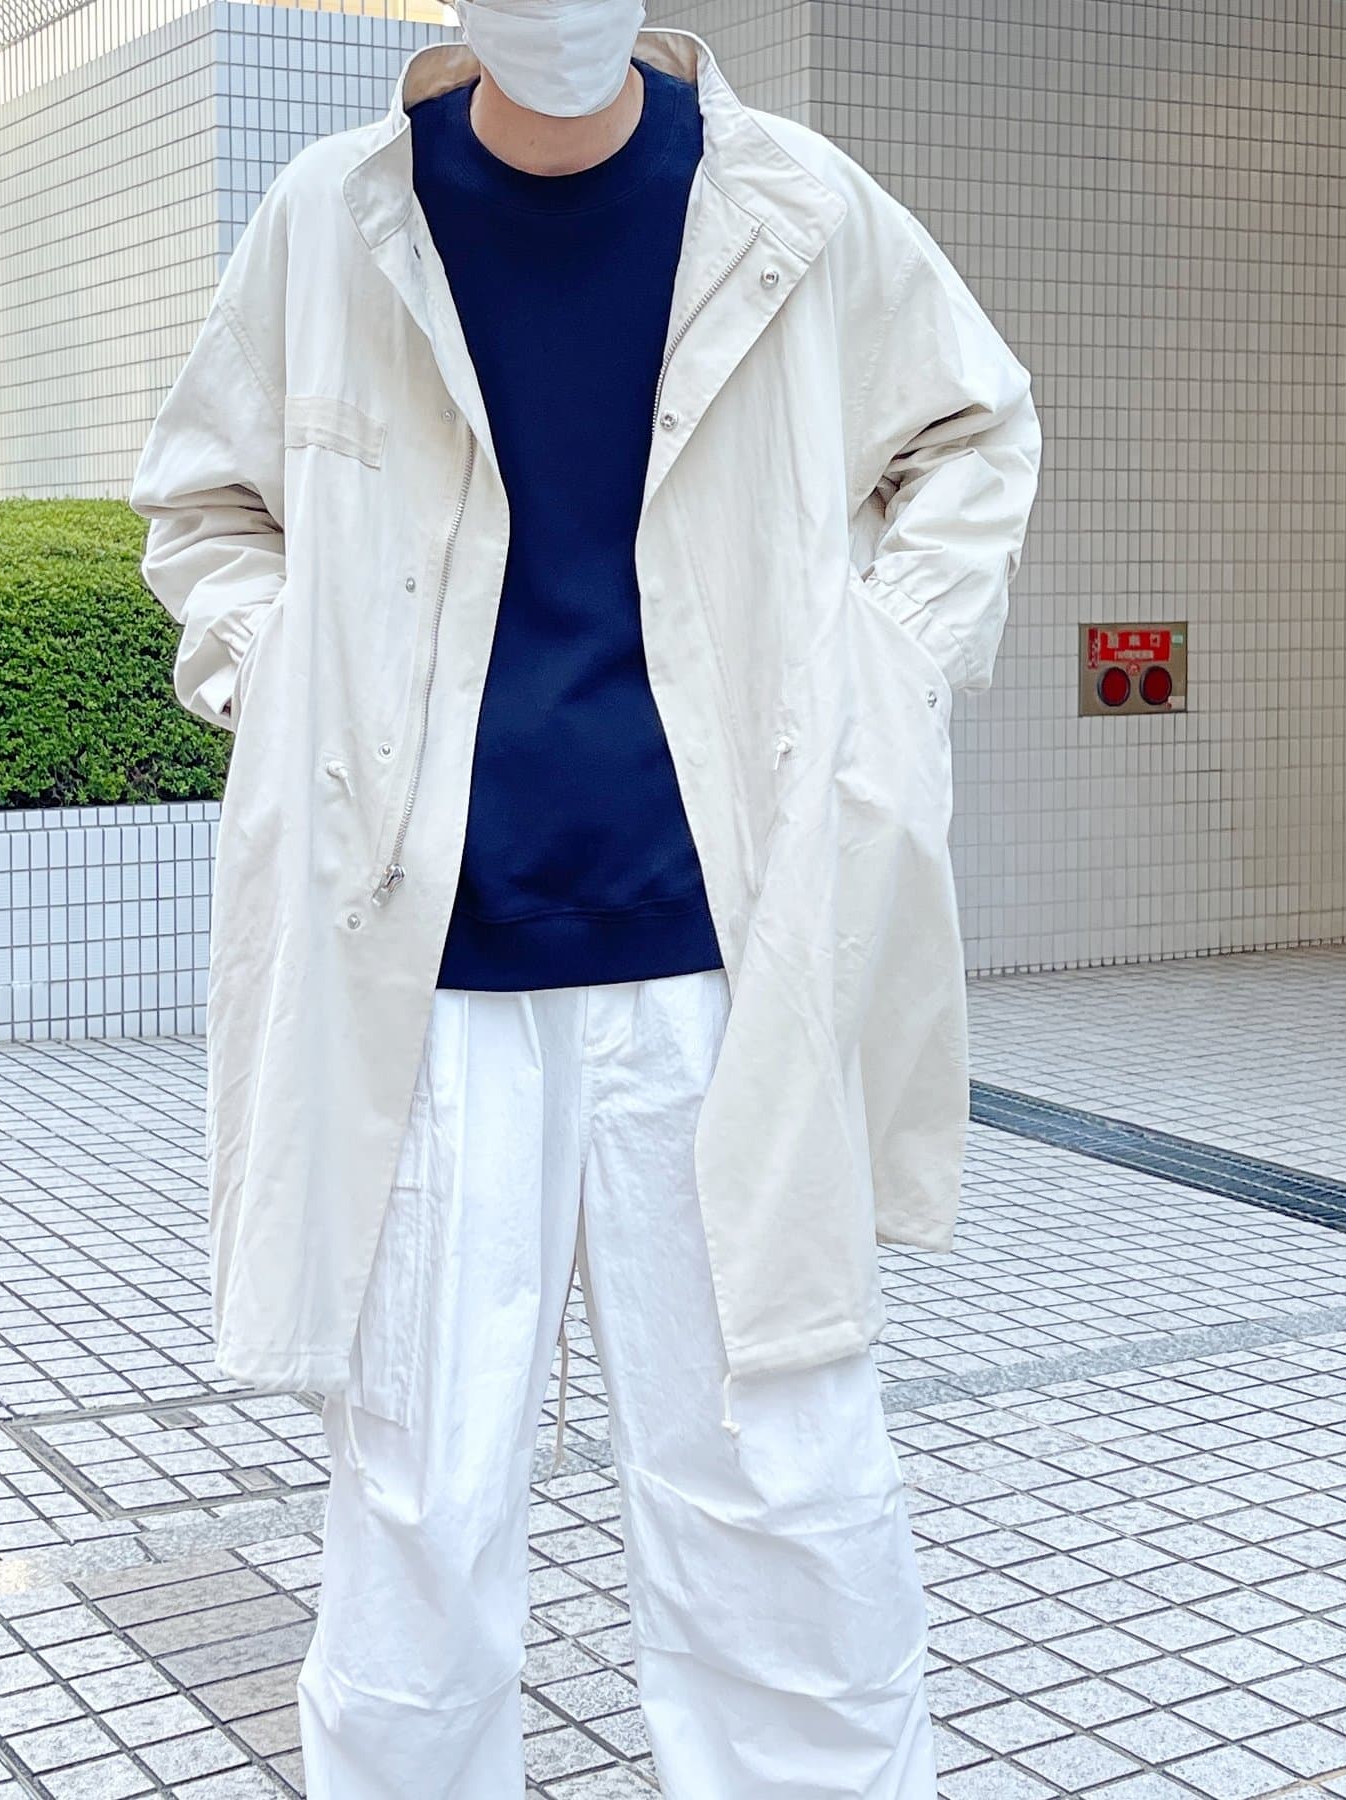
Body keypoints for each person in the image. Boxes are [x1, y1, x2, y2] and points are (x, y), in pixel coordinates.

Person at [129, 1, 1042, 1792]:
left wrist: (888, 665)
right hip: (424, 974)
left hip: (721, 964)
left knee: (777, 1473)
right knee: (419, 1489)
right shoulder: (336, 213)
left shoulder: (794, 202)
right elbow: (205, 502)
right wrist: (279, 664)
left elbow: (972, 433)